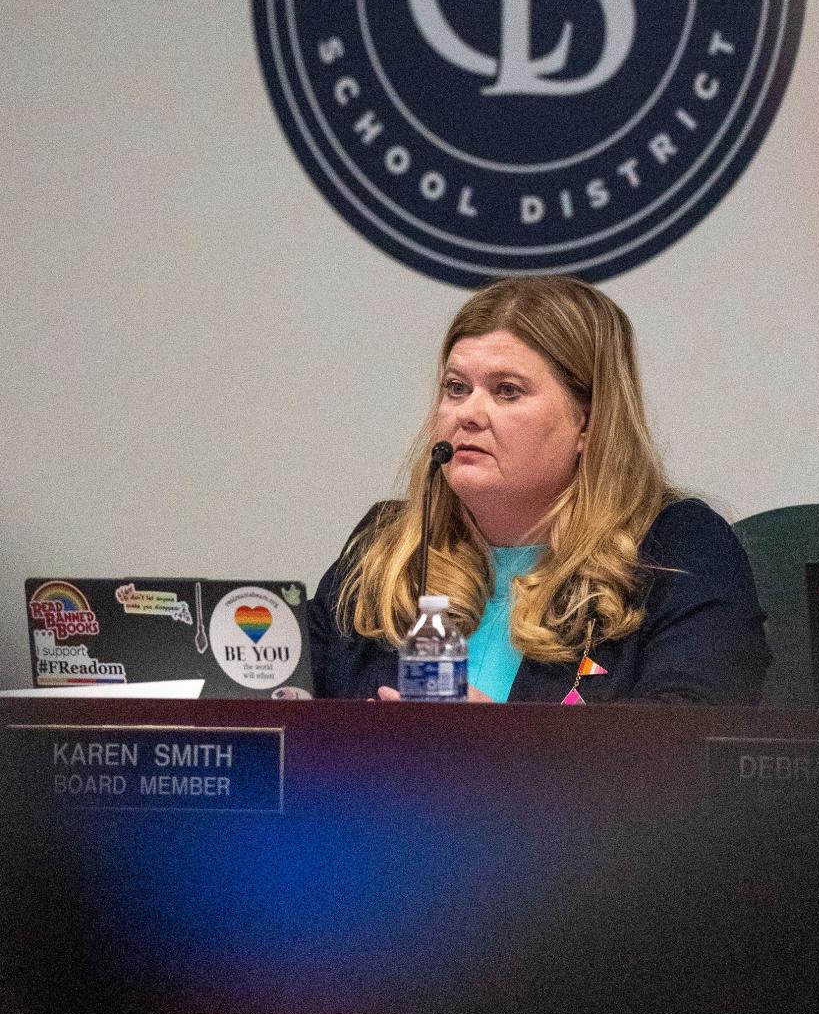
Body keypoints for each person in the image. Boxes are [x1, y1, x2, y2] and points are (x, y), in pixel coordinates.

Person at [308, 276, 770, 704]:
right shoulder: (384, 549)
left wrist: (504, 747)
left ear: (587, 421)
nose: (468, 413)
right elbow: (283, 702)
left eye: (507, 391)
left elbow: (692, 746)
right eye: (455, 388)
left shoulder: (677, 547)